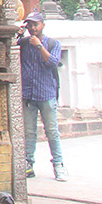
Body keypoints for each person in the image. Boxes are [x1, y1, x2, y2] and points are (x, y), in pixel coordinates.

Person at [18, 10, 66, 181]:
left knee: (52, 131)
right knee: (29, 132)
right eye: (30, 25)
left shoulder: (52, 43)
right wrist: (20, 33)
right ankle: (28, 164)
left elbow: (53, 63)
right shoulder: (23, 43)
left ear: (42, 25)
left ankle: (59, 165)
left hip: (46, 94)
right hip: (29, 94)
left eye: (35, 24)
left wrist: (39, 45)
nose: (33, 28)